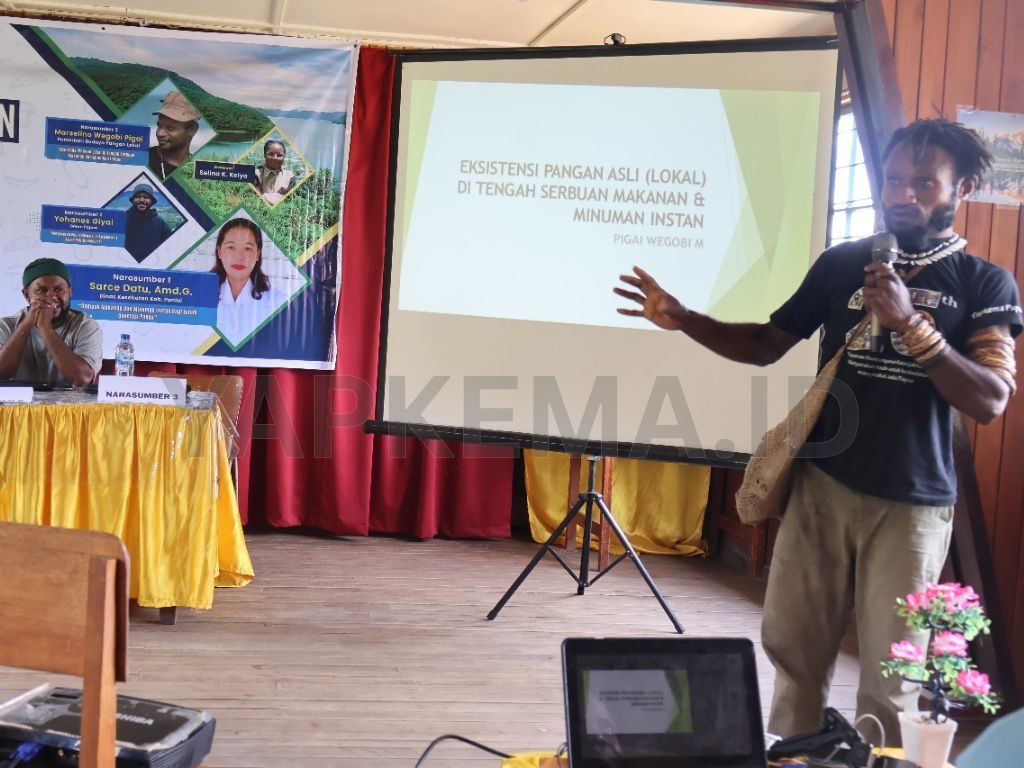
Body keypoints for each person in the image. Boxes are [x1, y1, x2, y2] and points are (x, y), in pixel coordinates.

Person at [614, 118, 1022, 743]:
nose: (901, 193)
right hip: (821, 487)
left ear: (961, 188)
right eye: (891, 179)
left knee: (894, 679)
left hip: (912, 506)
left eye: (923, 182)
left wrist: (913, 326)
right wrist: (685, 317)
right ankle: (795, 757)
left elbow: (990, 398)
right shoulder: (844, 264)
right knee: (793, 653)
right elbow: (764, 346)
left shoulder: (985, 283)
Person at [0, 257, 102, 386]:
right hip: (19, 406)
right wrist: (25, 326)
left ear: (70, 292)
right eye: (42, 290)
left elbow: (82, 379)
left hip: (69, 405)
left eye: (58, 290)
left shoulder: (85, 326)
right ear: (26, 295)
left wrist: (45, 328)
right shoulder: (6, 326)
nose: (51, 297)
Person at [211, 218, 285, 345]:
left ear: (257, 254)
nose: (239, 256)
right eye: (231, 247)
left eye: (247, 248)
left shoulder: (277, 302)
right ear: (219, 252)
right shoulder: (200, 297)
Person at [148, 90, 199, 181]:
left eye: (170, 128)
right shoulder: (142, 159)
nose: (159, 133)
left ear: (192, 130)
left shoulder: (198, 170)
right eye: (159, 126)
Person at [124, 182, 172, 262]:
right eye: (138, 197)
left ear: (152, 201)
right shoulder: (122, 220)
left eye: (146, 197)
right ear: (133, 200)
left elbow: (168, 250)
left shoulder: (161, 225)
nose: (142, 200)